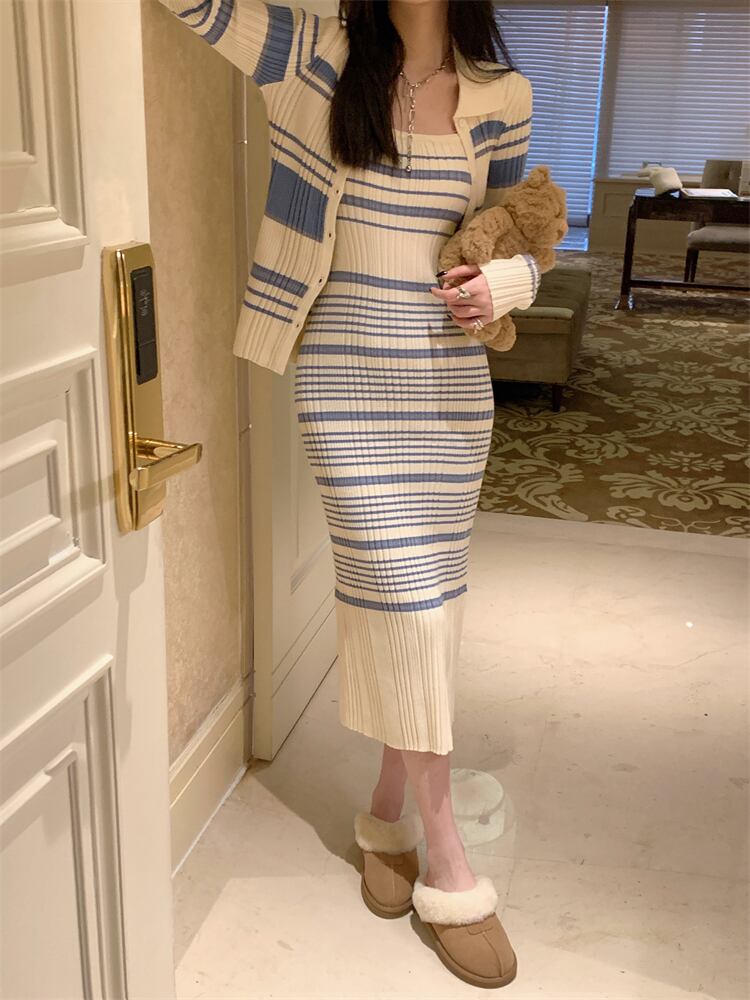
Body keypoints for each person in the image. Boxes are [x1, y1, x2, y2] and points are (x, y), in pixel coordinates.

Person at [157, 0, 537, 987]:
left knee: (429, 608)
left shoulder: (503, 94)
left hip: (449, 390)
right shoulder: (310, 54)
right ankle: (448, 860)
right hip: (346, 381)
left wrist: (504, 289)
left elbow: (520, 235)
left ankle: (385, 813)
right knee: (403, 601)